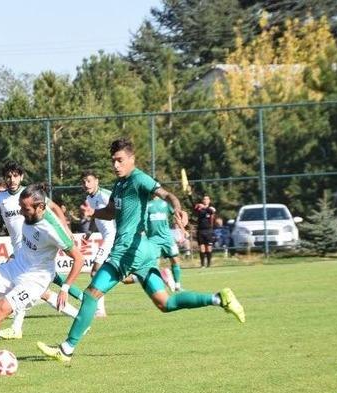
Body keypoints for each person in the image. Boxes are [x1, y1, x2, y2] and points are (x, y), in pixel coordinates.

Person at [37, 138, 245, 364]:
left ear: (131, 159)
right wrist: (91, 213)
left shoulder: (138, 178)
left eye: (120, 160)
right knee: (166, 303)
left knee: (90, 295)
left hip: (128, 249)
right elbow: (110, 212)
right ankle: (219, 299)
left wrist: (178, 209)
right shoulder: (119, 185)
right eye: (113, 161)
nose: (116, 165)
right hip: (142, 251)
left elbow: (168, 195)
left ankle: (66, 349)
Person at [0, 184, 84, 379]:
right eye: (20, 206)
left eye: (25, 209)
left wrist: (65, 287)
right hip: (17, 265)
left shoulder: (52, 229)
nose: (21, 212)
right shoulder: (28, 212)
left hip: (34, 280)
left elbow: (79, 258)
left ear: (40, 207)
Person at [124, 196, 185, 292]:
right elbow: (140, 221)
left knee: (175, 259)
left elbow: (176, 216)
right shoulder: (146, 205)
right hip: (153, 239)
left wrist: (183, 229)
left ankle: (177, 285)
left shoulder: (165, 204)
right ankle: (163, 278)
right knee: (153, 264)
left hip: (167, 237)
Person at [81, 171, 117, 317]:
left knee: (96, 271)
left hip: (112, 237)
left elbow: (118, 211)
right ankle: (147, 276)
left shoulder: (105, 195)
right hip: (107, 237)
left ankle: (100, 310)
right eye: (83, 182)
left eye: (89, 181)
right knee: (119, 274)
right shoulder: (89, 198)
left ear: (97, 181)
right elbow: (94, 216)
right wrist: (89, 233)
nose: (86, 184)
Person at [194, 195, 216, 268]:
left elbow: (211, 211)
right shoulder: (199, 208)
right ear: (202, 201)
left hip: (209, 230)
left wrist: (204, 207)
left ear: (209, 201)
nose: (205, 200)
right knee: (202, 248)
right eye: (204, 199)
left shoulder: (211, 208)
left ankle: (209, 264)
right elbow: (194, 207)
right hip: (200, 231)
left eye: (207, 199)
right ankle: (202, 264)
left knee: (208, 248)